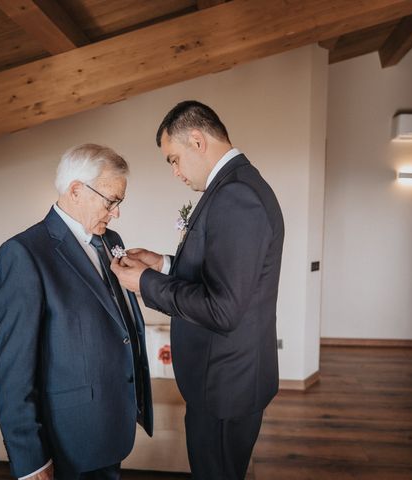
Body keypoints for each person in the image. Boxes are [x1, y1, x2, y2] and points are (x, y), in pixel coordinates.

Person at [111, 101, 284, 479]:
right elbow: (224, 275)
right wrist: (163, 264)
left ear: (196, 139)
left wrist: (143, 282)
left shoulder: (236, 196)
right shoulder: (235, 186)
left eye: (173, 159)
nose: (175, 171)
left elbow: (223, 309)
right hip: (226, 378)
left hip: (224, 384)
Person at [0, 144, 153, 480]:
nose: (116, 213)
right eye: (111, 201)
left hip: (111, 425)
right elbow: (13, 370)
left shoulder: (111, 239)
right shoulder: (23, 254)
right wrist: (30, 458)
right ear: (77, 190)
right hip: (68, 436)